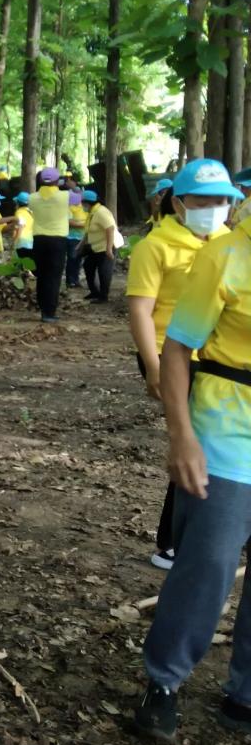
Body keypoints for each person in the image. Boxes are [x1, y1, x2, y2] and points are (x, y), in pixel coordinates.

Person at [130, 158, 251, 742]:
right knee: (209, 562)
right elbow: (177, 349)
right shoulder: (224, 258)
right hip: (226, 428)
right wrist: (181, 434)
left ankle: (244, 693)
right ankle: (165, 678)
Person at [126, 161, 232, 571]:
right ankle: (171, 541)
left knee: (213, 443)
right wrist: (153, 366)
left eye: (220, 200)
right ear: (180, 203)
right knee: (192, 440)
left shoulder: (228, 243)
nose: (212, 207)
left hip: (218, 359)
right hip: (171, 356)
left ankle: (212, 528)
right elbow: (140, 309)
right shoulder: (155, 246)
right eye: (202, 200)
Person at [27, 167, 70, 323]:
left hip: (39, 240)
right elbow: (79, 196)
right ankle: (49, 312)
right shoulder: (65, 196)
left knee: (42, 275)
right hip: (58, 240)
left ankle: (43, 308)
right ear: (56, 180)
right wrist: (71, 185)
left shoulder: (32, 198)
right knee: (54, 276)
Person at [82, 191, 118, 303]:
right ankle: (94, 291)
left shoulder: (101, 212)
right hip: (96, 247)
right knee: (88, 265)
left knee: (104, 271)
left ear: (88, 203)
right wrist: (81, 244)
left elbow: (110, 229)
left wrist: (108, 249)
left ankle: (103, 296)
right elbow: (88, 231)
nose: (82, 206)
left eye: (83, 203)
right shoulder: (92, 213)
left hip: (106, 246)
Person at [65, 190, 87, 288]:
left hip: (82, 238)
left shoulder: (83, 208)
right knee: (72, 258)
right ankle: (70, 281)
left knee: (78, 259)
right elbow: (69, 222)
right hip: (72, 238)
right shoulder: (69, 209)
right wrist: (84, 224)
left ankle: (76, 280)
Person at [11, 192, 34, 263]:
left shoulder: (19, 212)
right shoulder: (31, 212)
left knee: (21, 263)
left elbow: (21, 225)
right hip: (30, 241)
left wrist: (15, 239)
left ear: (17, 203)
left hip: (21, 241)